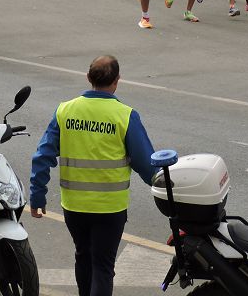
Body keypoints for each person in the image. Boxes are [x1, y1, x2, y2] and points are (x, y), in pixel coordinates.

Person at [29, 55, 156, 296]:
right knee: (103, 266)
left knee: (83, 256)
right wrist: (165, 188)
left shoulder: (65, 111)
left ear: (88, 78)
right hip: (110, 209)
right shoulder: (125, 116)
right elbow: (146, 165)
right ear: (117, 81)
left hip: (74, 207)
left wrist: (37, 196)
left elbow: (42, 156)